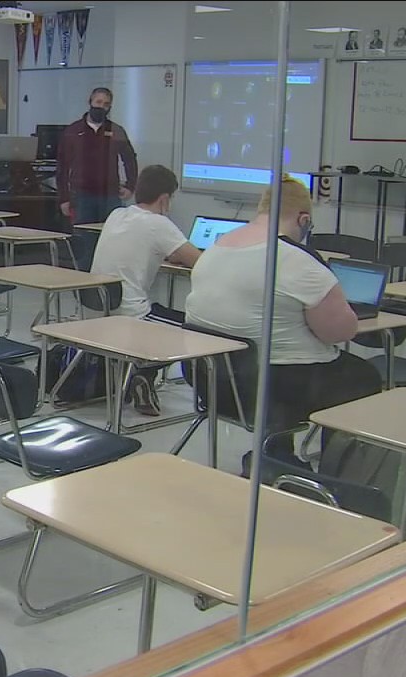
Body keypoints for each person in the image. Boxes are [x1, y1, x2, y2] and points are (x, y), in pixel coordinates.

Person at [185, 176, 381, 462]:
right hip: (271, 390)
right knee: (363, 377)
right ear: (303, 219)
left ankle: (277, 454)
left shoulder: (216, 248)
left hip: (213, 382)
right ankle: (337, 472)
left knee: (279, 350)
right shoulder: (297, 260)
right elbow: (341, 331)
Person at [89, 165, 200, 416]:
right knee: (194, 329)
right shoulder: (158, 223)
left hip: (98, 309)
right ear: (164, 199)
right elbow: (200, 262)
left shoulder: (117, 214)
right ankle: (144, 372)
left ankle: (138, 371)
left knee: (164, 314)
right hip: (131, 314)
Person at [56, 87, 139, 226]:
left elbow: (130, 159)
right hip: (82, 195)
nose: (102, 106)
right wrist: (64, 198)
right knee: (84, 237)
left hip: (110, 195)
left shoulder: (116, 131)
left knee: (111, 235)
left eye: (106, 104)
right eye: (98, 102)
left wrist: (130, 185)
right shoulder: (73, 131)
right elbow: (62, 166)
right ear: (90, 102)